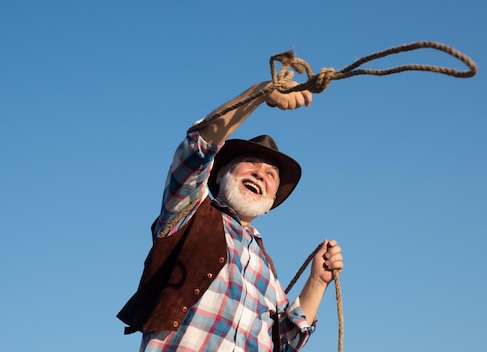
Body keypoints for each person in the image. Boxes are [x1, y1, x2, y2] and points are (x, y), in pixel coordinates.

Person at [117, 80, 344, 352]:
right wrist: (260, 93)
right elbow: (196, 150)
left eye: (271, 174)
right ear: (221, 173)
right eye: (250, 163)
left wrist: (317, 281)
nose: (260, 174)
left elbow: (285, 341)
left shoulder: (268, 272)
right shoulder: (189, 214)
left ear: (271, 202)